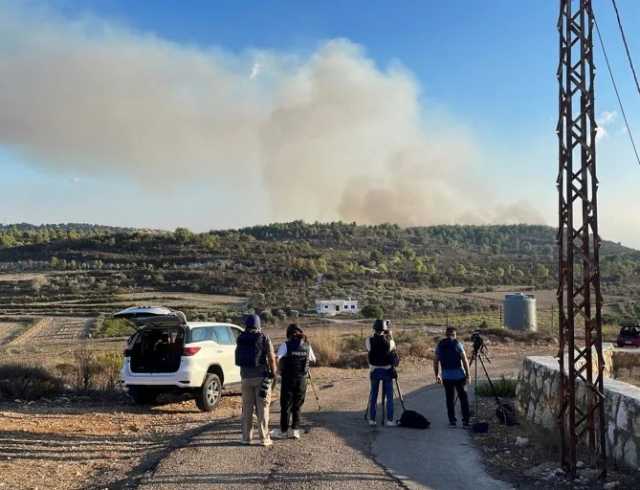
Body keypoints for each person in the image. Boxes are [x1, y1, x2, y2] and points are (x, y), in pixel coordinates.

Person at [235, 314, 278, 446]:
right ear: (258, 324)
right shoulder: (264, 338)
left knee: (247, 409)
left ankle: (246, 438)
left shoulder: (240, 338)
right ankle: (264, 438)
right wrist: (274, 373)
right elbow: (271, 358)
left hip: (245, 378)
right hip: (261, 378)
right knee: (262, 408)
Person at [271, 324, 316, 440]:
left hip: (288, 379)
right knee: (297, 406)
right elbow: (313, 359)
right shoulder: (307, 345)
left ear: (289, 334)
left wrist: (278, 370)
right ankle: (295, 430)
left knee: (286, 406)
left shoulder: (285, 345)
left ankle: (284, 431)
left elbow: (277, 358)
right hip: (302, 380)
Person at [434, 326, 471, 428]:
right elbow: (465, 360)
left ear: (446, 335)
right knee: (463, 399)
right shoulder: (458, 344)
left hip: (446, 377)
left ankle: (452, 421)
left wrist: (437, 374)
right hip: (459, 376)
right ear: (454, 334)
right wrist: (468, 375)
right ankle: (466, 422)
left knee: (449, 399)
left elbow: (435, 362)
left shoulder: (440, 345)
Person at [366, 319, 397, 427]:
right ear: (385, 330)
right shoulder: (389, 341)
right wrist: (390, 336)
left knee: (374, 396)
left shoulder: (369, 340)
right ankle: (389, 420)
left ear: (374, 328)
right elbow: (394, 350)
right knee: (389, 397)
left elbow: (369, 349)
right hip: (387, 371)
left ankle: (372, 420)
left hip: (374, 371)